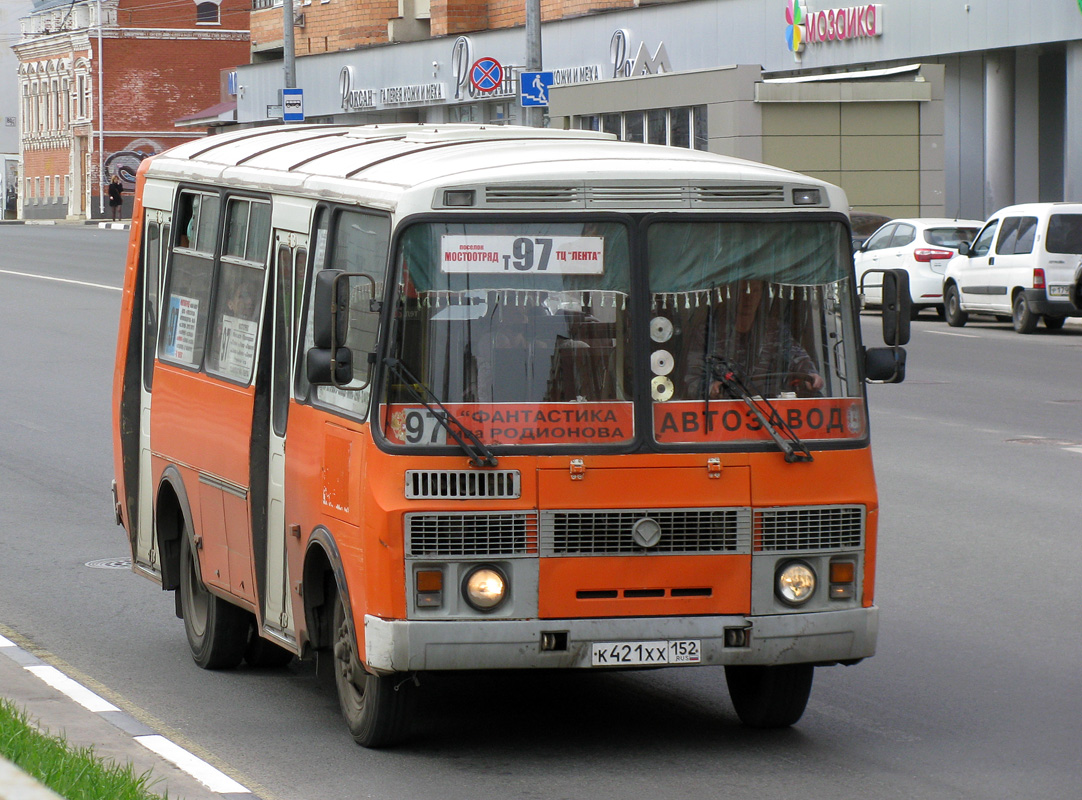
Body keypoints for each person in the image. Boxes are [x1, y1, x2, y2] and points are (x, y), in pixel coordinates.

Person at [684, 279, 824, 399]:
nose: (748, 298)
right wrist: (711, 388)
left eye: (755, 291)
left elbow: (798, 356)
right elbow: (692, 380)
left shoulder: (774, 329)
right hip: (722, 416)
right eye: (743, 291)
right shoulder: (706, 333)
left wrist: (810, 375)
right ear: (731, 294)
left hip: (770, 417)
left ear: (761, 295)